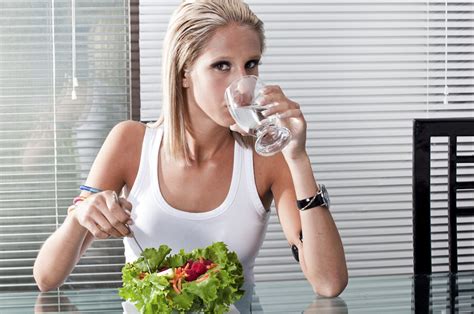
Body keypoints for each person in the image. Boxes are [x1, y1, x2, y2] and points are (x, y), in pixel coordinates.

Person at [33, 0, 348, 312]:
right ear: (185, 72)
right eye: (222, 66)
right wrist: (81, 215)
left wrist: (298, 158)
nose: (242, 87)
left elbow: (328, 283)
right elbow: (47, 277)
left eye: (250, 65)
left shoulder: (264, 157)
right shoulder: (130, 142)